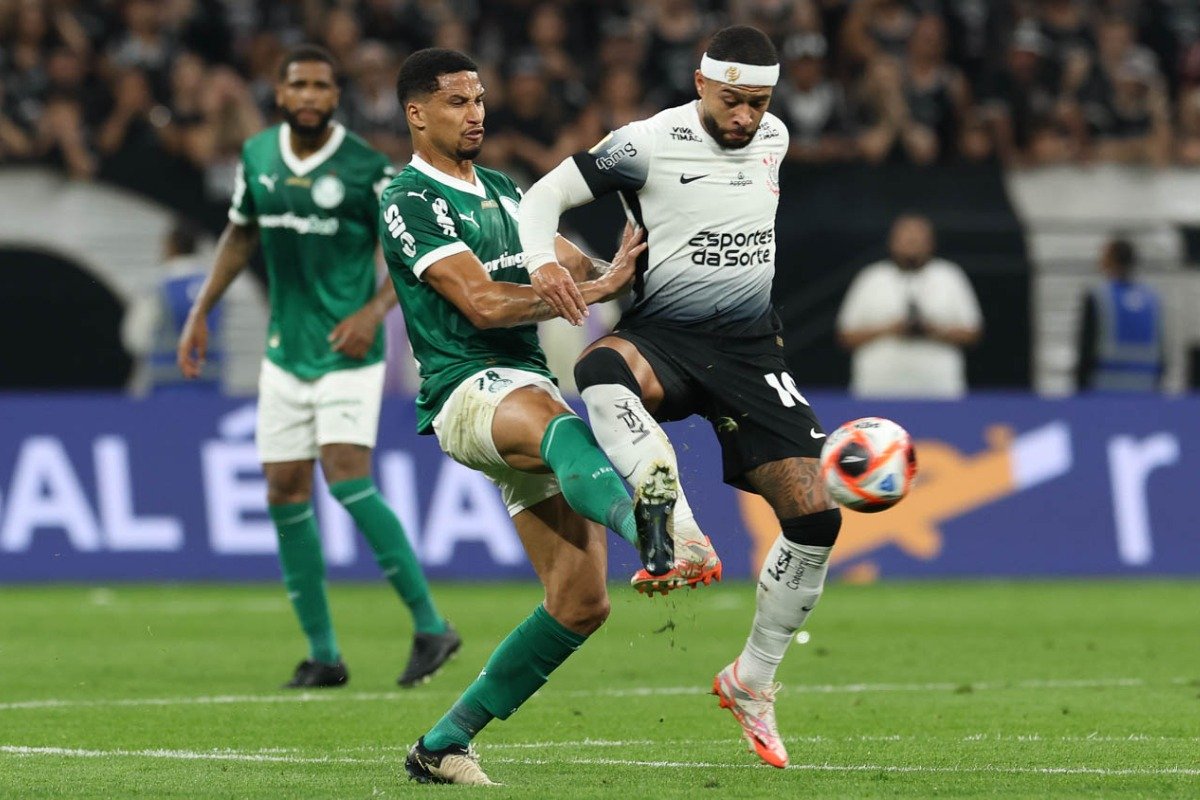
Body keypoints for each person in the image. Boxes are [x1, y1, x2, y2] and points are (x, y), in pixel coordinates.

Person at [519, 25, 843, 769]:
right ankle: (681, 533)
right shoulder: (644, 142)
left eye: (759, 103)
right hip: (663, 335)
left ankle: (751, 681)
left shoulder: (777, 139)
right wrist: (544, 262)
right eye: (733, 100)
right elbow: (542, 196)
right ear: (701, 84)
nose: (747, 117)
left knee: (816, 517)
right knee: (600, 369)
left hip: (753, 349)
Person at [380, 48, 655, 786]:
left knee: (580, 602)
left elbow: (572, 266)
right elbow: (482, 302)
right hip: (465, 390)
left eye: (478, 99)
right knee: (556, 420)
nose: (474, 113)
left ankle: (442, 745)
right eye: (455, 102)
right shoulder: (410, 198)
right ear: (417, 113)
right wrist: (586, 292)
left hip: (523, 386)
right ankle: (649, 526)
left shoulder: (503, 189)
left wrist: (621, 271)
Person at [177, 45, 457, 690]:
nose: (309, 95)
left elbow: (411, 248)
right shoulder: (258, 156)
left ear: (336, 97)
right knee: (282, 488)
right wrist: (201, 312)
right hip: (285, 352)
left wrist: (374, 314)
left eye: (321, 86)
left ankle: (430, 624)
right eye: (297, 84)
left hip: (347, 350)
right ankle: (324, 655)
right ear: (280, 94)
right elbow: (241, 231)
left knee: (345, 475)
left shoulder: (364, 169)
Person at [837, 214, 982, 399]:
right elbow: (846, 335)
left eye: (918, 239)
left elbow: (973, 332)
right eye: (906, 239)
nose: (912, 244)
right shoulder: (872, 277)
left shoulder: (949, 275)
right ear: (892, 242)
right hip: (877, 390)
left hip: (939, 391)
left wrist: (933, 330)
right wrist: (891, 329)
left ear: (931, 243)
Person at [123, 220, 227, 395]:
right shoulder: (214, 285)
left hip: (168, 386)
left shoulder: (158, 286)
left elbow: (135, 339)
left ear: (170, 246)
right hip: (210, 387)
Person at [1075, 237, 1164, 392]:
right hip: (1145, 387)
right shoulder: (1152, 298)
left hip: (1105, 387)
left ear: (1110, 260)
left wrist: (1080, 389)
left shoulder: (1098, 296)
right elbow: (1162, 352)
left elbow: (1087, 347)